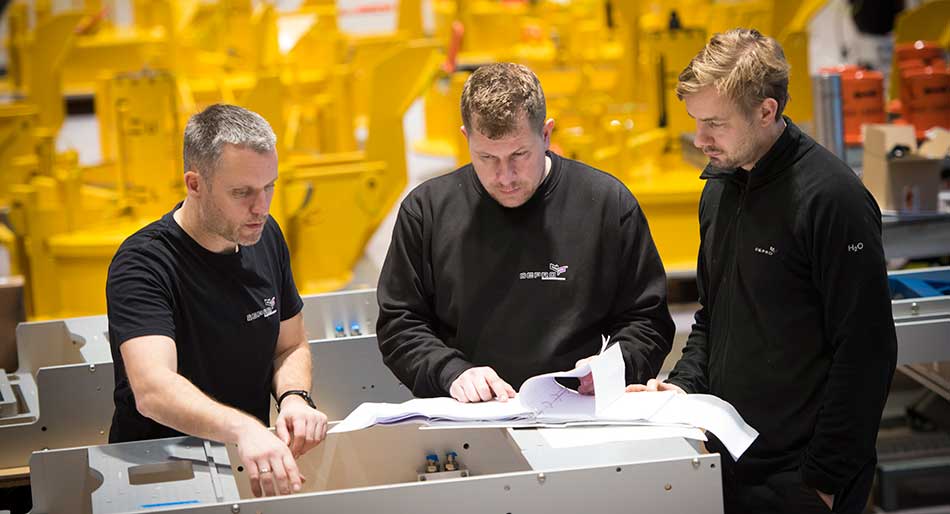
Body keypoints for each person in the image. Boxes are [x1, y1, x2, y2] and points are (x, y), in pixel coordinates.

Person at [627, 29, 897, 514]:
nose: (700, 139)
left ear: (766, 111)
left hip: (802, 475)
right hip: (730, 459)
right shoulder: (722, 187)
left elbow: (867, 352)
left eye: (714, 123)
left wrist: (823, 480)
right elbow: (715, 318)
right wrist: (684, 387)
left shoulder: (833, 200)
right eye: (696, 121)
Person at [376, 62, 675, 404]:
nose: (505, 176)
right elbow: (400, 324)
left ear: (546, 134)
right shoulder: (427, 212)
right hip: (472, 415)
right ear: (465, 138)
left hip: (582, 413)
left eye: (519, 154)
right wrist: (450, 372)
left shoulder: (607, 204)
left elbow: (647, 319)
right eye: (487, 157)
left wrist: (614, 367)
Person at [106, 104, 328, 498]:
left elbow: (290, 344)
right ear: (194, 184)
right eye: (242, 192)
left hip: (251, 460)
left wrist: (295, 398)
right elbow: (153, 390)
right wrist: (245, 428)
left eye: (269, 187)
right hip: (162, 471)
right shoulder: (143, 264)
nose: (261, 207)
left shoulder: (264, 234)